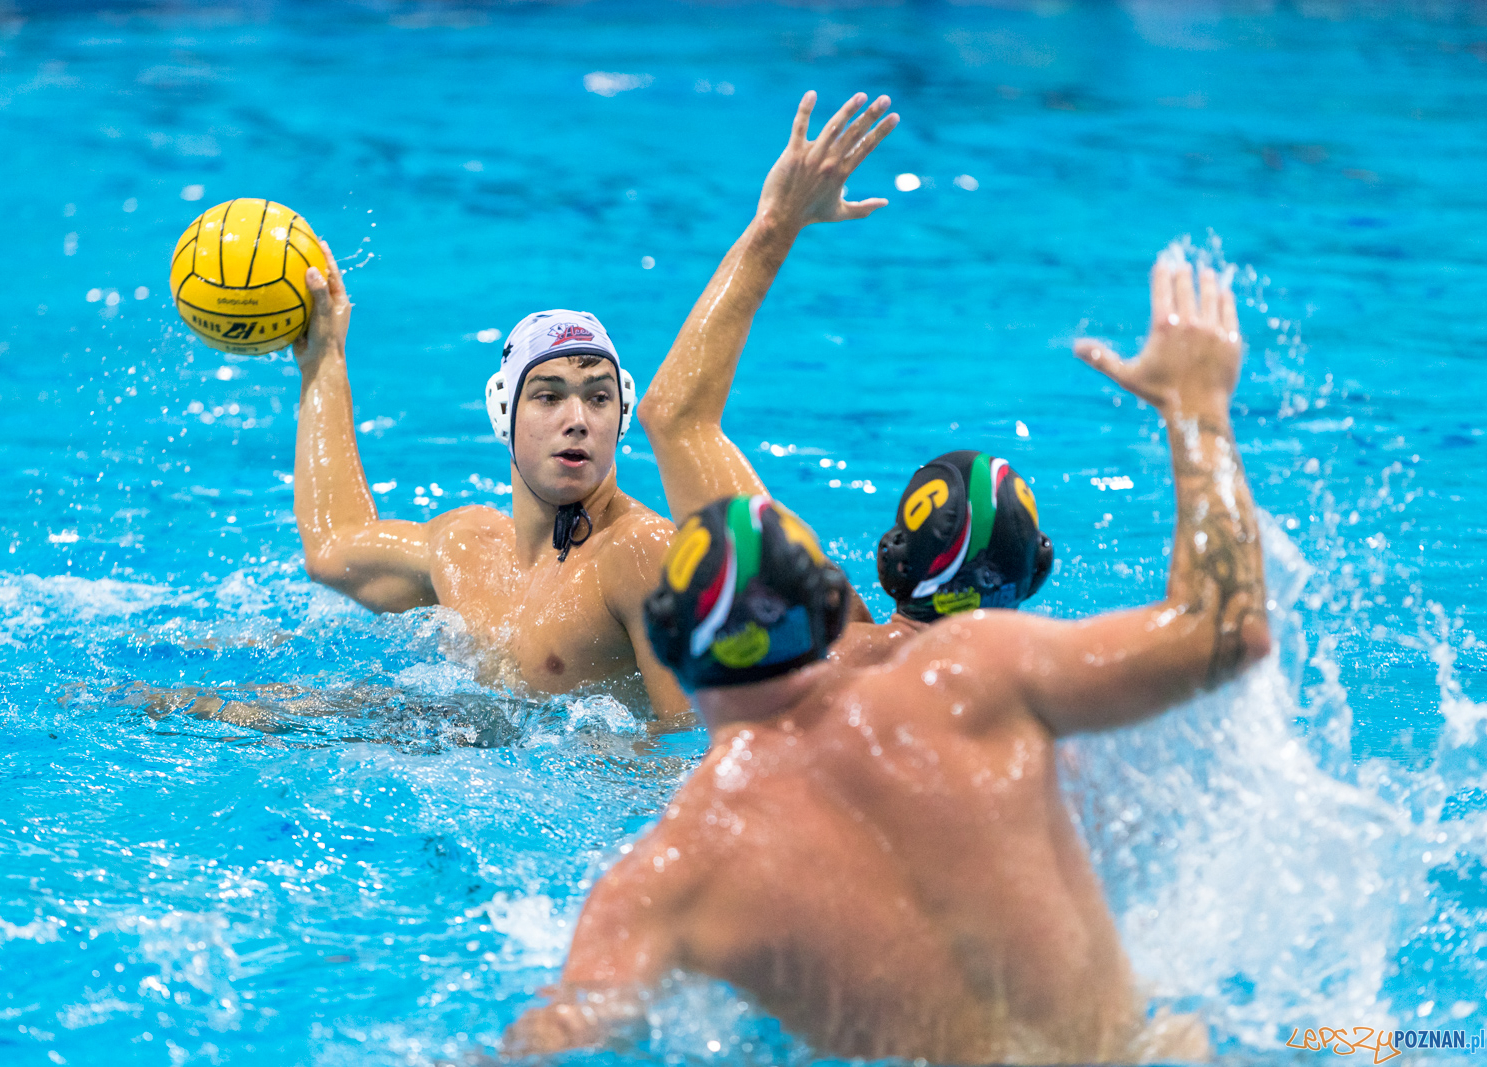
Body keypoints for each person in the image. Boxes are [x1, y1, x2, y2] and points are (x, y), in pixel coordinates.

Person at [506, 247, 1269, 1063]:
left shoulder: (671, 873)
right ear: (831, 603)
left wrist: (776, 224)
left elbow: (556, 1034)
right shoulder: (981, 671)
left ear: (673, 652)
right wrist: (1197, 405)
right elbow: (1229, 630)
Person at [636, 93, 1054, 669]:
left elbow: (676, 415)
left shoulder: (819, 656)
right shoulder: (1048, 687)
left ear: (894, 560)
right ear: (1031, 574)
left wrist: (776, 224)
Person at [289, 251, 687, 718]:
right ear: (504, 413)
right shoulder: (467, 548)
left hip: (585, 783)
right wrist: (323, 362)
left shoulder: (641, 554)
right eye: (549, 397)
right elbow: (332, 548)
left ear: (620, 415)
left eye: (599, 397)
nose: (578, 421)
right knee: (241, 709)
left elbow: (694, 748)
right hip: (467, 757)